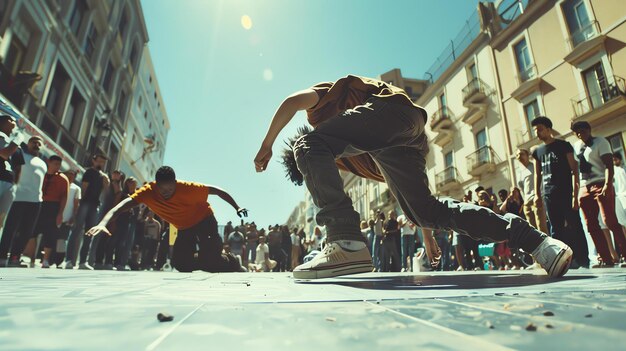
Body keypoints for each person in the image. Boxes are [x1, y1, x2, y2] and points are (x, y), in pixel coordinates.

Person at [255, 75, 572, 279]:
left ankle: (345, 241)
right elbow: (404, 191)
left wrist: (267, 144)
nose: (324, 167)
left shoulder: (318, 118)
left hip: (390, 110)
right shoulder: (355, 157)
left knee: (308, 145)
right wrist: (428, 232)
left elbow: (292, 102)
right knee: (427, 210)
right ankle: (540, 243)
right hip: (405, 138)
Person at [86, 166, 248, 273]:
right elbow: (120, 206)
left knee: (212, 263)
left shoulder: (187, 188)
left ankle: (232, 260)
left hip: (204, 220)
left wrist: (237, 207)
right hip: (184, 228)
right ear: (156, 185)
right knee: (181, 265)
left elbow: (218, 191)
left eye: (170, 189)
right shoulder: (147, 192)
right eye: (162, 190)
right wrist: (102, 223)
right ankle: (208, 258)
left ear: (175, 183)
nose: (167, 193)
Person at [531, 116, 589, 269]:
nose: (537, 133)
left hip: (565, 192)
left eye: (540, 129)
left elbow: (574, 169)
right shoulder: (538, 151)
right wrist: (537, 194)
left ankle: (582, 259)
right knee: (556, 230)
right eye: (535, 130)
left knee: (575, 225)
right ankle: (562, 262)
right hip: (549, 194)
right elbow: (537, 174)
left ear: (549, 129)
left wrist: (574, 195)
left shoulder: (563, 145)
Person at [572, 121, 626, 266]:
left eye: (582, 130)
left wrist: (607, 185)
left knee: (610, 221)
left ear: (589, 130)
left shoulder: (600, 142)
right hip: (585, 187)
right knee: (591, 225)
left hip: (601, 182)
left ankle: (625, 255)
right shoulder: (576, 146)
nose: (579, 134)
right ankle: (606, 258)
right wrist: (575, 193)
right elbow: (575, 171)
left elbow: (609, 165)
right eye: (576, 132)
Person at [0, 136, 46, 267]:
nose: (36, 145)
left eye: (38, 143)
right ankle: (2, 257)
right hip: (18, 198)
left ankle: (15, 257)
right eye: (33, 142)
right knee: (10, 229)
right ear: (28, 144)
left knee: (27, 231)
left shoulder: (43, 162)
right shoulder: (21, 155)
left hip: (36, 201)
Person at [22, 155, 69, 268]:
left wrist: (60, 213)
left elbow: (64, 197)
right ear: (49, 162)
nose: (57, 167)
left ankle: (45, 260)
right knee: (33, 231)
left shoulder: (63, 178)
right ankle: (32, 259)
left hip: (53, 207)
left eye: (59, 165)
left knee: (50, 234)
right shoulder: (41, 172)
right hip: (38, 203)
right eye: (55, 164)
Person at [65, 154, 109, 269]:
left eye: (103, 162)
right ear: (94, 161)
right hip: (85, 203)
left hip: (95, 205)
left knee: (90, 233)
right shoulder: (89, 172)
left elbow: (106, 191)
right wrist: (79, 205)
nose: (101, 164)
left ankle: (83, 261)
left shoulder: (103, 176)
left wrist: (106, 181)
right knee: (76, 230)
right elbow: (84, 188)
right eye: (99, 161)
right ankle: (69, 260)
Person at [0, 113, 24, 241]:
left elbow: (18, 167)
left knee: (1, 220)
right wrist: (18, 140)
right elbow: (4, 154)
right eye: (12, 120)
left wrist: (15, 185)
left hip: (9, 183)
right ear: (3, 122)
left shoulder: (15, 143)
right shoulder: (3, 137)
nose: (15, 123)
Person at [515, 148, 548, 233]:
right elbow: (522, 189)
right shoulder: (519, 173)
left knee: (542, 228)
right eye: (517, 155)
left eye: (522, 154)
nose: (519, 157)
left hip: (537, 199)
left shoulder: (534, 166)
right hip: (527, 203)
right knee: (533, 231)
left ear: (527, 155)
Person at [54, 169, 81, 266]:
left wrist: (73, 216)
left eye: (72, 175)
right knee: (52, 238)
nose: (70, 176)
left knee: (62, 240)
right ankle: (48, 260)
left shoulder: (76, 188)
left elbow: (76, 204)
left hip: (67, 218)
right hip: (56, 216)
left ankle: (59, 261)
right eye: (68, 174)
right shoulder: (61, 184)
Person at [613, 153, 626, 230]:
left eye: (615, 159)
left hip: (623, 196)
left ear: (620, 160)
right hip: (618, 198)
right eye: (613, 160)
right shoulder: (612, 172)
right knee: (622, 222)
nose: (614, 161)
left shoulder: (623, 169)